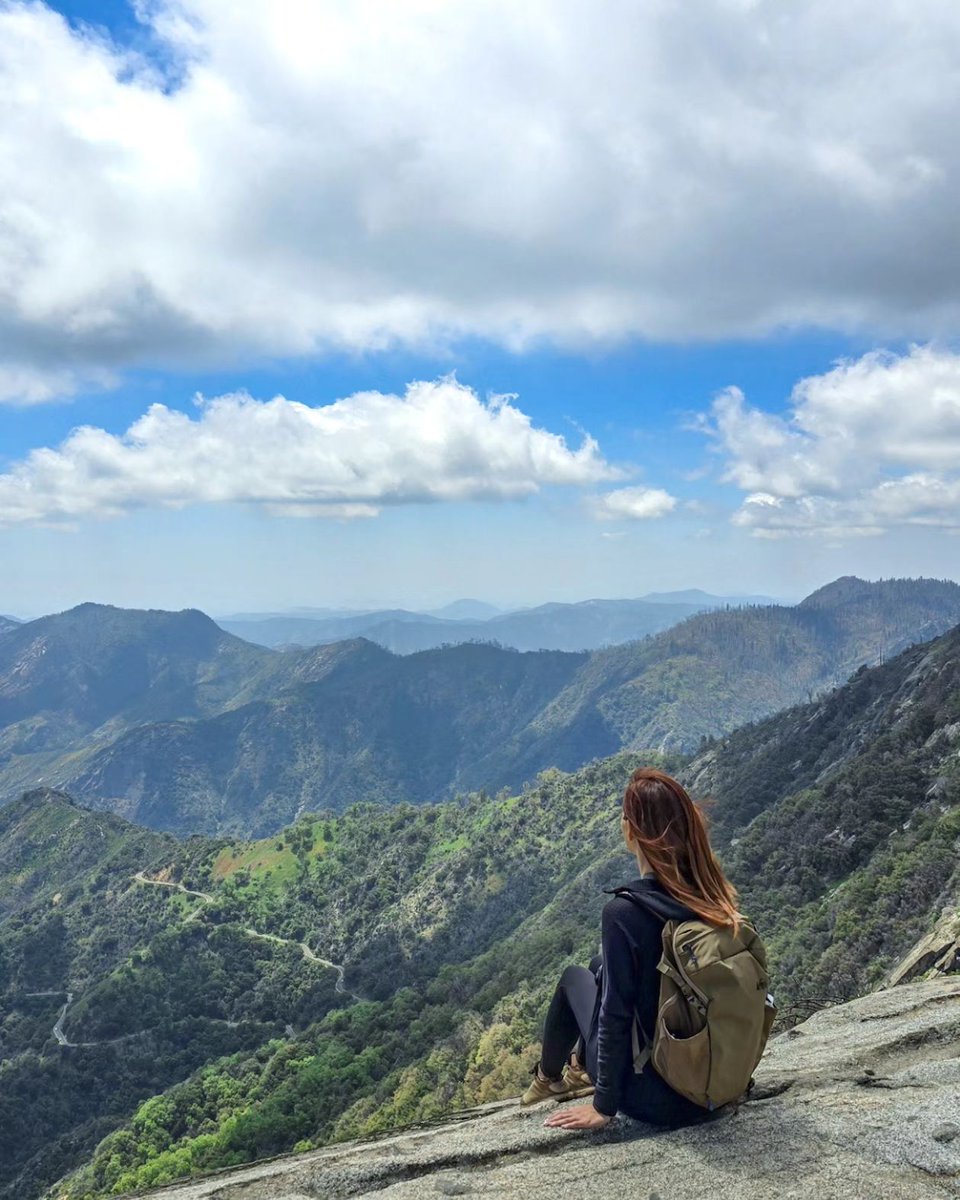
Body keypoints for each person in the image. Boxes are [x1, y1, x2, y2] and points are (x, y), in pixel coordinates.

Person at [521, 766, 743, 1131]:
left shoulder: (624, 912)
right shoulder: (710, 897)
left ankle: (549, 1078)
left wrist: (603, 1106)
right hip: (708, 1086)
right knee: (600, 964)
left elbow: (615, 1015)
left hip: (652, 1097)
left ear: (630, 832)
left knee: (573, 978)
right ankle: (574, 1068)